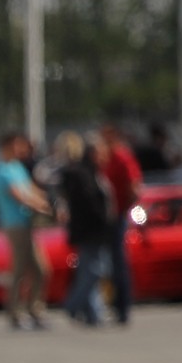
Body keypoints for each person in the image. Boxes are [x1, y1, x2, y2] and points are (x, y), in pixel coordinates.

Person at [0, 131, 52, 330]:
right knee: (20, 269)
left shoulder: (17, 167)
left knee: (41, 269)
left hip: (27, 224)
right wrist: (41, 206)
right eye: (18, 145)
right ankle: (15, 312)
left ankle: (34, 308)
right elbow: (19, 195)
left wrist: (50, 201)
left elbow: (32, 189)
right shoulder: (1, 171)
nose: (22, 149)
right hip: (14, 225)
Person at [58, 132, 114, 326]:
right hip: (91, 231)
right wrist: (104, 222)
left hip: (94, 230)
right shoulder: (84, 174)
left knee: (91, 270)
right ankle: (74, 305)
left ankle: (93, 313)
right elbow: (90, 204)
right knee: (94, 270)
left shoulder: (94, 173)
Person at [99, 122, 142, 325]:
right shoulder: (106, 158)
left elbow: (134, 187)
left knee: (118, 263)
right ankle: (113, 305)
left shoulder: (121, 157)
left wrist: (124, 207)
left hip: (117, 216)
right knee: (109, 263)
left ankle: (122, 308)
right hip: (107, 217)